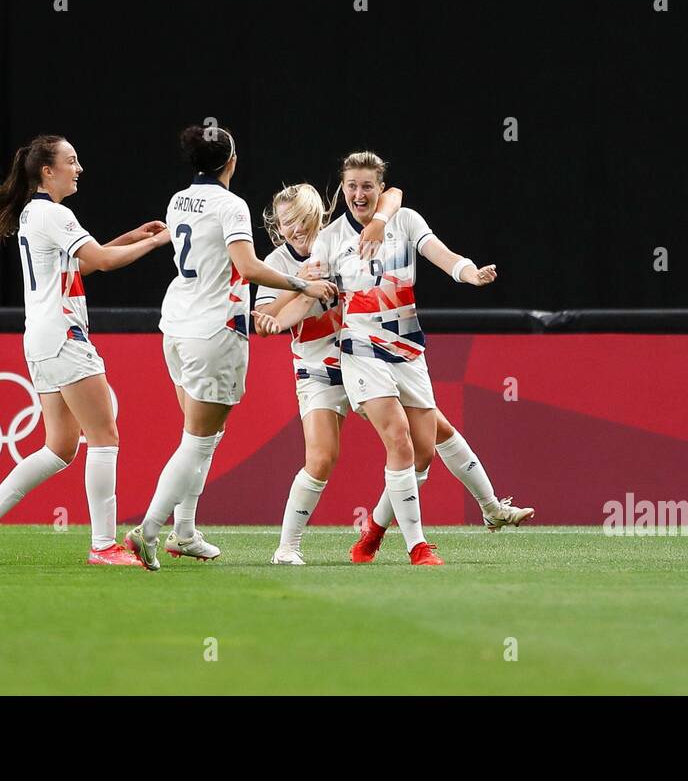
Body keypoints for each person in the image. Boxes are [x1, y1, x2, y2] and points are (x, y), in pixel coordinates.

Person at [255, 182, 533, 566]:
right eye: (287, 223)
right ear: (277, 228)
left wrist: (380, 219)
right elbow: (272, 315)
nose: (296, 229)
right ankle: (287, 548)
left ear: (318, 216)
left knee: (428, 438)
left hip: (368, 358)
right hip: (320, 370)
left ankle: (486, 508)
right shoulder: (276, 263)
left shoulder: (339, 239)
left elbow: (395, 194)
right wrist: (301, 284)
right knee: (321, 459)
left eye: (303, 219)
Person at [125, 125, 337, 571]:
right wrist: (304, 284)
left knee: (204, 438)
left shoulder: (179, 199)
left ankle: (184, 533)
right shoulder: (231, 205)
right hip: (213, 330)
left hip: (176, 327)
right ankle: (148, 531)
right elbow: (247, 265)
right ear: (232, 161)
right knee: (198, 442)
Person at [0, 134, 172, 565]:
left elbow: (87, 262)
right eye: (71, 161)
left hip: (40, 338)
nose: (79, 168)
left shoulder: (37, 215)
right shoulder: (53, 213)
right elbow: (105, 263)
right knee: (105, 437)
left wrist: (132, 235)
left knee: (59, 448)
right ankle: (103, 545)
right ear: (47, 171)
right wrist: (158, 242)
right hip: (64, 337)